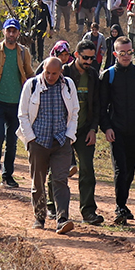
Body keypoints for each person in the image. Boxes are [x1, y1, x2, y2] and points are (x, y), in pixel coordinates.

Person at [98, 36, 135, 225]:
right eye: (122, 53)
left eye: (129, 52)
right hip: (116, 132)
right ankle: (120, 207)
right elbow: (101, 106)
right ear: (115, 54)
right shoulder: (108, 75)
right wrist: (106, 127)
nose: (126, 56)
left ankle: (122, 204)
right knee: (120, 169)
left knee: (130, 169)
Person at [18, 55, 78, 234]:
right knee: (39, 181)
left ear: (61, 72)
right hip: (38, 142)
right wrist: (30, 138)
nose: (50, 77)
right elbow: (22, 114)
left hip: (61, 141)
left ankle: (62, 219)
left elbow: (74, 111)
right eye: (47, 73)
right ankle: (39, 217)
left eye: (54, 73)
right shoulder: (32, 85)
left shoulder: (68, 85)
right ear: (42, 70)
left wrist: (69, 136)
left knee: (60, 180)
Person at [0, 18, 36, 187]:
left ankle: (8, 175)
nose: (11, 34)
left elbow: (29, 74)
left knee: (12, 140)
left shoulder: (23, 52)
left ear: (18, 33)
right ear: (4, 31)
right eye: (9, 30)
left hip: (17, 103)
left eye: (14, 31)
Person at [63, 39, 105, 226]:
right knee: (58, 170)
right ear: (76, 55)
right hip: (62, 130)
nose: (89, 61)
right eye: (85, 57)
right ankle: (54, 207)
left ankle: (88, 211)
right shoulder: (63, 72)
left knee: (87, 170)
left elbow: (96, 104)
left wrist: (93, 129)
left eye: (92, 58)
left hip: (84, 130)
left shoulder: (94, 75)